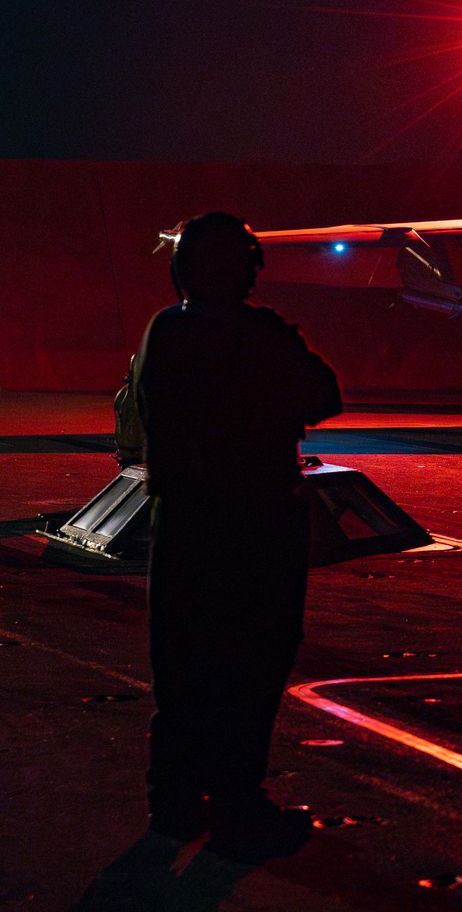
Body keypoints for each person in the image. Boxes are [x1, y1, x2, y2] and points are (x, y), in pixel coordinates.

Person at [132, 212, 341, 860]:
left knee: (184, 667)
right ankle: (236, 806)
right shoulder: (261, 335)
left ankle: (175, 802)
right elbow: (323, 394)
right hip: (256, 526)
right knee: (250, 670)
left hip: (186, 524)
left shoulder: (165, 332)